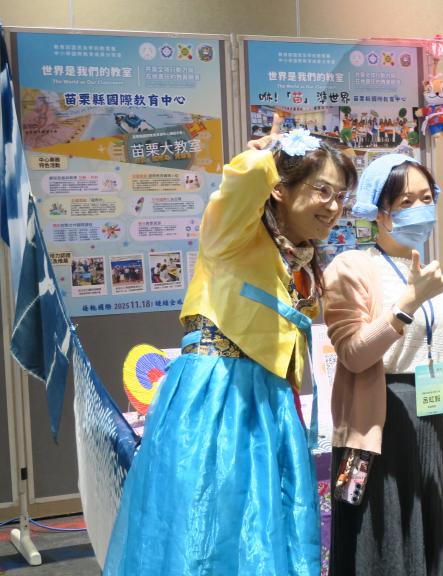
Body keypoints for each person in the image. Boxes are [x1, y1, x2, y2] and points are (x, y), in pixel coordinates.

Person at [104, 121, 357, 575]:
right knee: (209, 526)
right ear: (279, 188)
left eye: (341, 196)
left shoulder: (296, 258)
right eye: (322, 191)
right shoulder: (233, 234)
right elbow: (239, 186)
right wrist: (264, 156)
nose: (333, 206)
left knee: (264, 527)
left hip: (269, 401)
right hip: (218, 395)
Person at [322, 153, 443, 576]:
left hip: (435, 423)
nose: (420, 209)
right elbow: (353, 353)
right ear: (379, 211)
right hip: (378, 427)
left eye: (427, 198)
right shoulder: (352, 267)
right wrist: (406, 305)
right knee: (381, 551)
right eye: (406, 201)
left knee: (435, 551)